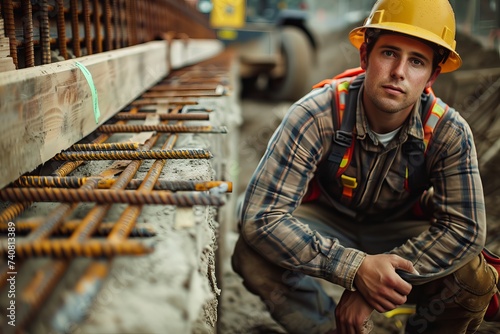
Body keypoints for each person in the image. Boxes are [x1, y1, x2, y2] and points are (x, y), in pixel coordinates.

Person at [231, 0, 500, 333]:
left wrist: (376, 284)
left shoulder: (448, 131)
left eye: (416, 61)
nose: (399, 72)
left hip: (398, 231)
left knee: (472, 279)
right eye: (389, 53)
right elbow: (261, 216)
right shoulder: (318, 113)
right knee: (253, 253)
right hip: (328, 220)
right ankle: (329, 328)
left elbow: (465, 228)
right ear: (365, 57)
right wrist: (354, 267)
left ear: (432, 75)